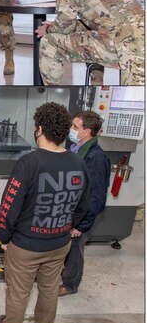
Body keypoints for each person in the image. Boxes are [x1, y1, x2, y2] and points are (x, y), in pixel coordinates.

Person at [0, 102, 90, 323]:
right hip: (59, 244)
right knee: (48, 290)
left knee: (18, 294)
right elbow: (83, 206)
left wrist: (4, 238)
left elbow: (9, 207)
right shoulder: (78, 162)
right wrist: (65, 227)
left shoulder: (29, 162)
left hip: (26, 246)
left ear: (39, 129)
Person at [59, 111, 111, 296]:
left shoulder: (96, 158)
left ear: (87, 131)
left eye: (75, 127)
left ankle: (70, 285)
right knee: (67, 247)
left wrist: (81, 225)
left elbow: (96, 196)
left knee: (75, 250)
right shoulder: (76, 148)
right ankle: (65, 272)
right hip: (71, 212)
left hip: (81, 217)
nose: (71, 130)